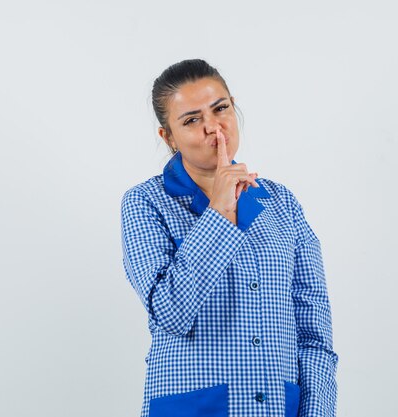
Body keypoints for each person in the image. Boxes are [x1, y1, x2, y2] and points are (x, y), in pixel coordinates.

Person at [120, 58, 339, 417]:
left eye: (220, 109)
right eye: (191, 120)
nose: (213, 128)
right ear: (168, 136)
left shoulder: (281, 203)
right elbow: (171, 312)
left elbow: (314, 333)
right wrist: (220, 210)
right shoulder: (145, 203)